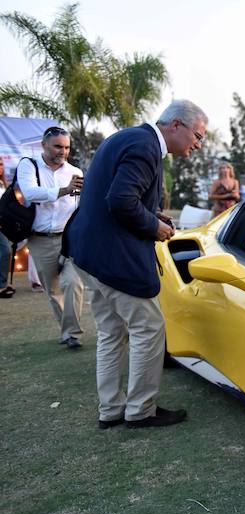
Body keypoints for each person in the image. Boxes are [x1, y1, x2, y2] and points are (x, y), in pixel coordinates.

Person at [67, 99, 207, 429]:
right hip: (114, 259)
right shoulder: (145, 147)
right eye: (198, 136)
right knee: (149, 327)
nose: (197, 145)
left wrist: (151, 213)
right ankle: (140, 410)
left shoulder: (128, 137)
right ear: (176, 125)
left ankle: (110, 410)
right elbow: (120, 201)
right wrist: (154, 227)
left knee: (111, 332)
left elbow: (116, 196)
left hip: (89, 254)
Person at [16, 126, 85, 348]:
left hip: (68, 239)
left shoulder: (76, 172)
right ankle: (67, 332)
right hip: (39, 238)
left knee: (73, 283)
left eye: (66, 147)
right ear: (44, 145)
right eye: (57, 146)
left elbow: (80, 207)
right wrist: (63, 190)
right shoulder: (29, 165)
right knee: (53, 290)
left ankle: (72, 333)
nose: (62, 151)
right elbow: (30, 193)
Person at [0, 161, 12, 298]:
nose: (0, 167)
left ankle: (3, 283)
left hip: (3, 224)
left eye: (1, 164)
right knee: (5, 251)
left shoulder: (3, 184)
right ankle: (2, 285)